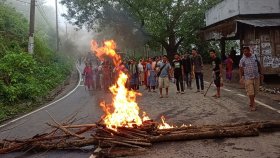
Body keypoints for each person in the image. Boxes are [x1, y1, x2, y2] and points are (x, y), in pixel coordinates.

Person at [239, 46, 262, 111]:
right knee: (250, 92)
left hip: (256, 77)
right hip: (248, 77)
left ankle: (251, 101)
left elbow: (259, 65)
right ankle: (253, 104)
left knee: (255, 92)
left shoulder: (255, 56)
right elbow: (240, 69)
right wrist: (241, 77)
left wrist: (261, 74)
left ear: (249, 50)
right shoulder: (242, 59)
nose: (245, 53)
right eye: (244, 51)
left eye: (246, 51)